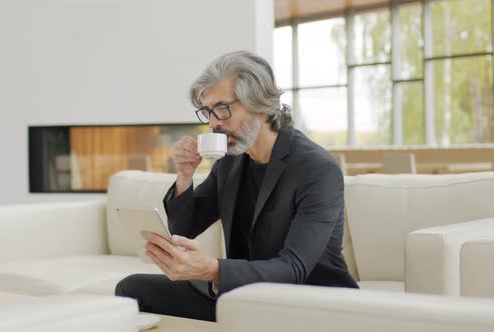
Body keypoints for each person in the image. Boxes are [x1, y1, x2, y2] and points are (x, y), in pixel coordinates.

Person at [115, 50, 358, 322]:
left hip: (307, 299)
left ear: (259, 103)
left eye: (222, 108)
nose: (213, 123)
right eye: (208, 112)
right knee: (132, 288)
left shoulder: (317, 169)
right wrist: (185, 176)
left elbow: (293, 268)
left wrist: (213, 270)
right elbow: (184, 229)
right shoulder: (230, 161)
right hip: (243, 293)